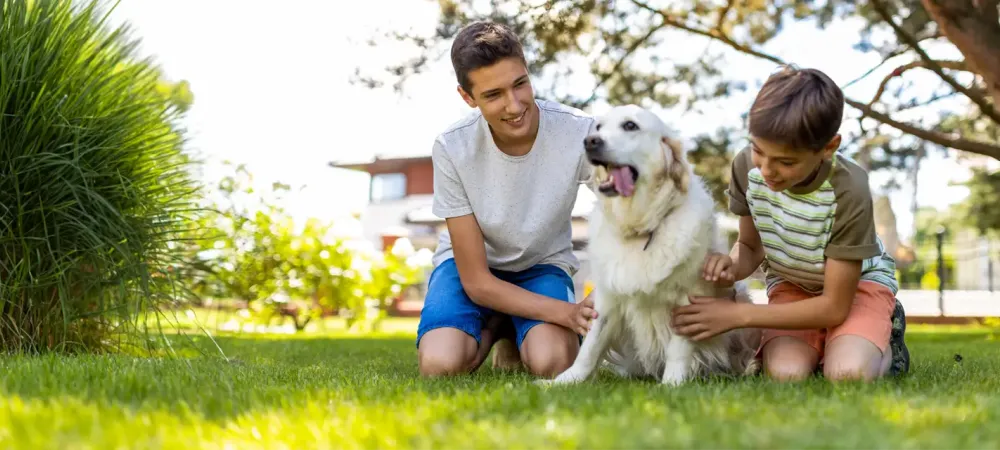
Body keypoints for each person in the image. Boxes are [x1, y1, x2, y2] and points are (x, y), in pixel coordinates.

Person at [671, 66, 910, 382]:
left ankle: (882, 332)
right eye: (758, 150)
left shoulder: (848, 187)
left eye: (786, 162)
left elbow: (835, 306)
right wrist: (728, 265)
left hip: (855, 289)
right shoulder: (746, 166)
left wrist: (739, 315)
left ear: (828, 147)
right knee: (785, 374)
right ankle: (833, 342)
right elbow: (750, 247)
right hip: (793, 285)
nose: (767, 170)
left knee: (847, 373)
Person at [415, 21, 598, 378]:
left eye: (520, 84)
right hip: (472, 270)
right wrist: (567, 313)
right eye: (493, 94)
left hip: (541, 265)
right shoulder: (453, 147)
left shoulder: (579, 131)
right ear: (468, 98)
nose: (514, 105)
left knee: (554, 363)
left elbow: (628, 209)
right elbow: (477, 282)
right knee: (440, 366)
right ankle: (501, 325)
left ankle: (515, 328)